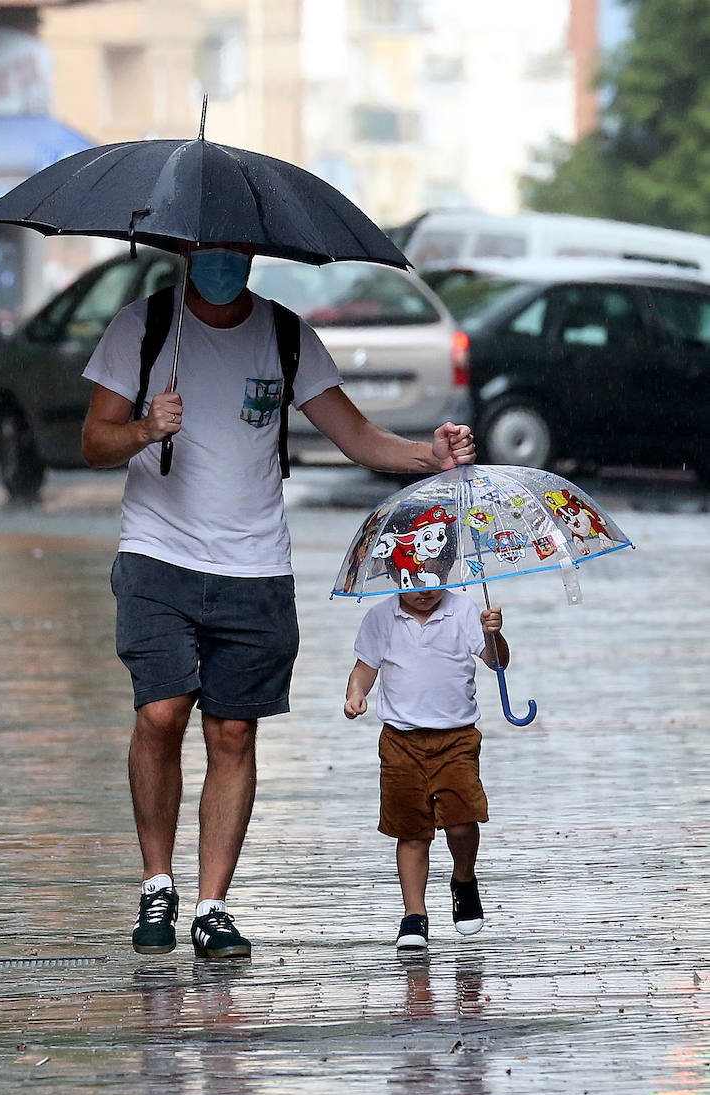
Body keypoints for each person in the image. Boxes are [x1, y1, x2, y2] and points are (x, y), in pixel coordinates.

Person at [81, 240, 475, 960]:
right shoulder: (141, 329)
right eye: (211, 248)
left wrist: (429, 456)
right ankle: (156, 884)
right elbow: (94, 441)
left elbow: (354, 435)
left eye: (237, 249)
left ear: (255, 255)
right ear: (186, 250)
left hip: (256, 567)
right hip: (157, 556)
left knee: (233, 734)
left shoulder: (286, 335)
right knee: (161, 711)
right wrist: (144, 428)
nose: (224, 260)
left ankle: (211, 907)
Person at [343, 567, 509, 951]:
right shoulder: (381, 617)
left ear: (448, 571)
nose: (423, 592)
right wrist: (355, 693)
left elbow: (497, 662)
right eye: (412, 581)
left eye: (432, 581)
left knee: (462, 822)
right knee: (411, 830)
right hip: (400, 741)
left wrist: (493, 633)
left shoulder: (464, 611)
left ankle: (464, 879)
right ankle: (413, 914)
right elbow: (365, 667)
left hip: (456, 738)